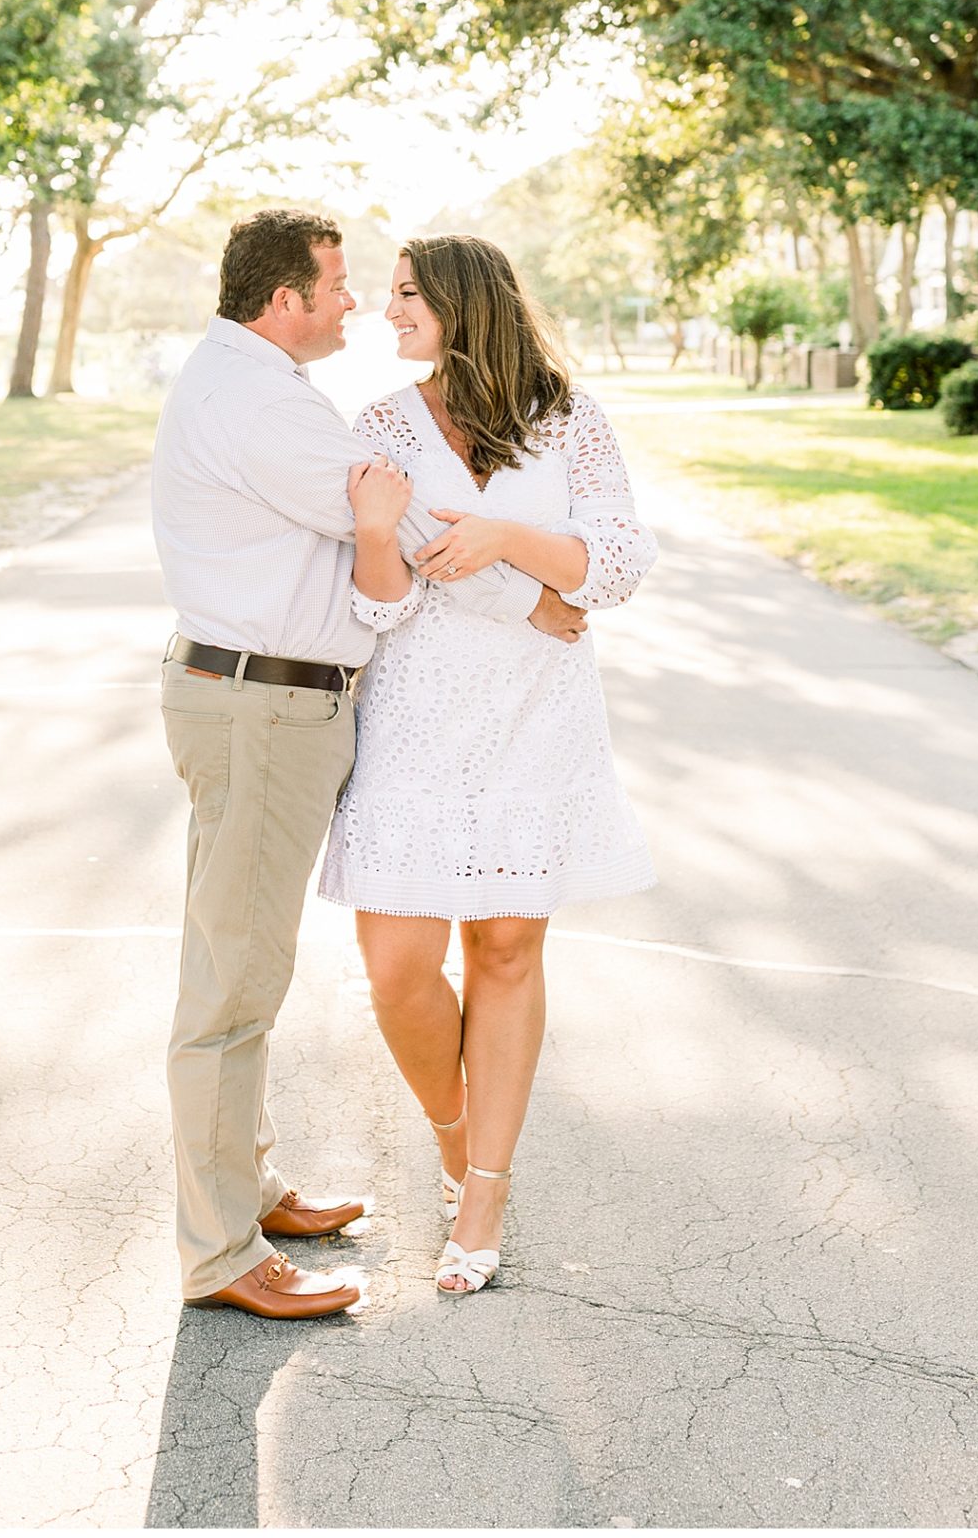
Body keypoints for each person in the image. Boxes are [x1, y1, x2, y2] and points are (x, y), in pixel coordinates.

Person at [150, 208, 588, 1320]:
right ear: (286, 300)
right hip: (260, 705)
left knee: (237, 960)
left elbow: (404, 527)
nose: (356, 304)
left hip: (259, 699)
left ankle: (246, 1190)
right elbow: (424, 525)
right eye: (340, 286)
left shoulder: (254, 386)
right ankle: (222, 1252)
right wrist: (538, 593)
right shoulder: (263, 407)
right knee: (234, 981)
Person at [319, 234, 658, 1296]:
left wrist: (511, 537)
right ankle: (453, 1126)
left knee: (507, 949)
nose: (387, 312)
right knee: (399, 967)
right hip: (417, 713)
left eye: (408, 295)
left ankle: (485, 1193)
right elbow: (398, 582)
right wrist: (532, 595)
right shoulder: (380, 424)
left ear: (466, 303)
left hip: (534, 718)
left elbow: (620, 563)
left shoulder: (570, 416)